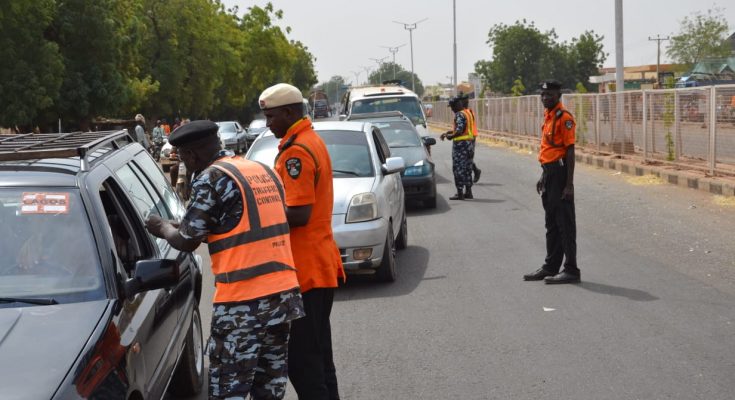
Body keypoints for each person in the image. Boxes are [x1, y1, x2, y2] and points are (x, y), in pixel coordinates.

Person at [144, 120, 305, 399]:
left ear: (192, 155)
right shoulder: (260, 170)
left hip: (243, 303)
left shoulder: (211, 178)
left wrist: (160, 226)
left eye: (182, 157)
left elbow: (186, 240)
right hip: (282, 297)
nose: (183, 163)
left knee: (229, 389)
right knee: (269, 389)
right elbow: (240, 225)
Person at [259, 83, 344, 400]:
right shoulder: (309, 140)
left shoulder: (296, 151)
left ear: (289, 112)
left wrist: (259, 214)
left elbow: (298, 213)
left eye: (271, 117)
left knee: (303, 362)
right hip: (316, 264)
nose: (268, 124)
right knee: (320, 357)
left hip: (304, 270)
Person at [523, 80, 580, 284]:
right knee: (552, 224)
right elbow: (549, 150)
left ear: (559, 96)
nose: (545, 98)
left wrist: (569, 184)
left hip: (560, 174)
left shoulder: (564, 118)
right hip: (549, 173)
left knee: (565, 224)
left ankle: (571, 270)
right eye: (543, 94)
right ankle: (550, 267)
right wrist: (543, 176)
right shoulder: (548, 117)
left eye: (550, 95)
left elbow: (570, 151)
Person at [440, 97, 475, 200]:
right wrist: (448, 132)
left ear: (456, 105)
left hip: (461, 146)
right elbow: (463, 129)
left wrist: (450, 137)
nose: (452, 109)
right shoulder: (467, 113)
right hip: (469, 144)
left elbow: (459, 131)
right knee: (468, 169)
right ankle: (468, 192)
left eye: (452, 107)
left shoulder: (459, 115)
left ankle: (460, 193)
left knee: (458, 169)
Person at [460, 94, 482, 183]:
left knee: (467, 157)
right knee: (466, 157)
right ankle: (475, 171)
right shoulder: (465, 112)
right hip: (467, 137)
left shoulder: (467, 112)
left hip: (470, 137)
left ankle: (475, 171)